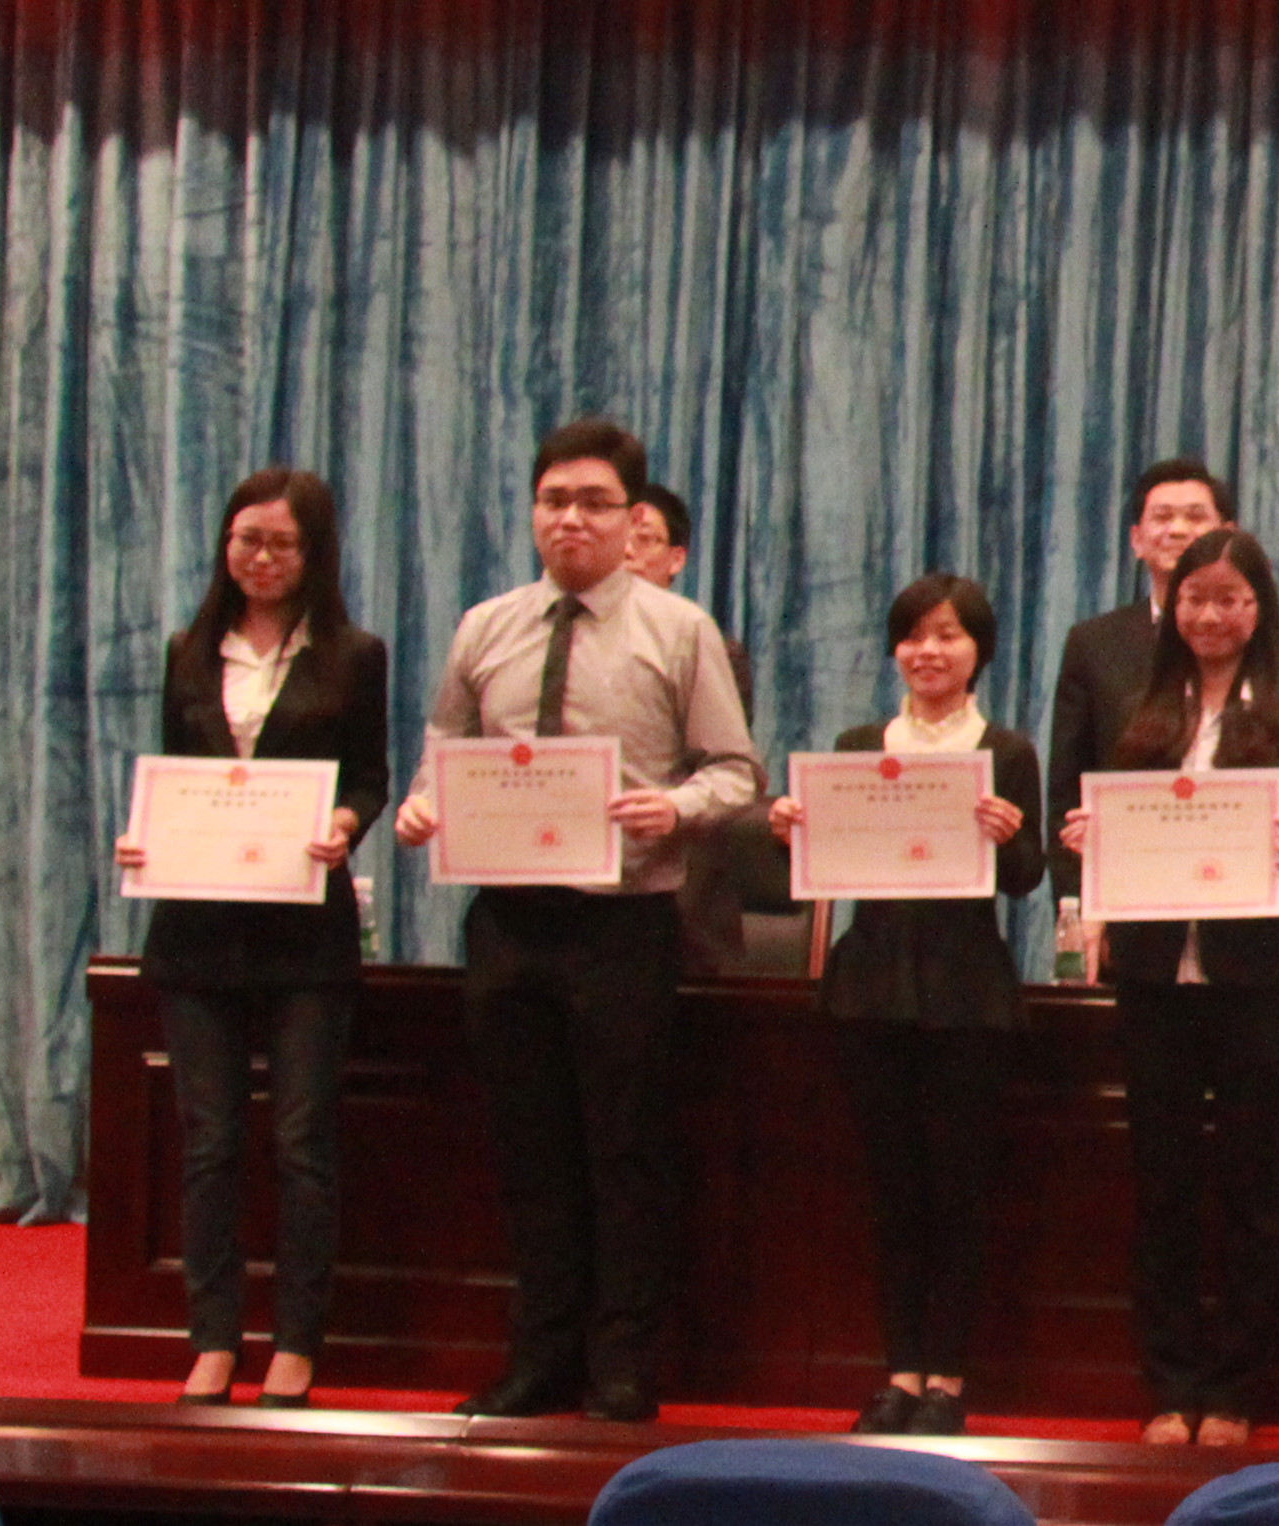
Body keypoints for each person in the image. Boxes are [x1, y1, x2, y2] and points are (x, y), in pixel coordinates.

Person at [388, 418, 761, 1424]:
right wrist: (420, 808)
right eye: (554, 500)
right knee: (529, 1151)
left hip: (623, 924)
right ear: (533, 512)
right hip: (508, 920)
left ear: (632, 519)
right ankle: (540, 1356)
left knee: (624, 1149)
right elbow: (441, 756)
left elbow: (736, 771)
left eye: (594, 503)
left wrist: (673, 807)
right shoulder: (485, 627)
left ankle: (623, 1361)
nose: (571, 520)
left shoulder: (678, 630)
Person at [113, 467, 388, 1411]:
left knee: (302, 1142)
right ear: (224, 546)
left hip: (305, 933)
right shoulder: (189, 650)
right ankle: (214, 1339)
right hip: (197, 932)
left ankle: (297, 1343)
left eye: (282, 543)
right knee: (209, 1144)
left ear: (314, 554)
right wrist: (145, 838)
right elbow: (174, 776)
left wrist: (346, 823)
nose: (262, 558)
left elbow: (369, 777)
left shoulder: (354, 655)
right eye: (246, 540)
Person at [1057, 527, 1279, 1447]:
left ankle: (1238, 1389)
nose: (1210, 615)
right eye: (1194, 598)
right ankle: (1169, 1385)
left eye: (1230, 599)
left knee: (1253, 1185)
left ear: (1259, 609)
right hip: (1152, 973)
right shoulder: (1146, 704)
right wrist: (1090, 843)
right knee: (1162, 1183)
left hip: (1252, 975)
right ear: (1172, 607)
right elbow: (1102, 818)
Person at [762, 574, 1044, 1437]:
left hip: (966, 992)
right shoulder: (857, 745)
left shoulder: (1006, 751)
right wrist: (791, 829)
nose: (930, 651)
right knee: (892, 1193)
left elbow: (1028, 877)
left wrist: (1007, 836)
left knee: (957, 1192)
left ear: (979, 650)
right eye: (914, 636)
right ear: (895, 649)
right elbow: (815, 869)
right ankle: (900, 1372)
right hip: (872, 989)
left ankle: (947, 1380)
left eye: (949, 635)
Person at [1048, 459, 1279, 841]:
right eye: (1162, 517)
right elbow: (1067, 791)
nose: (1178, 530)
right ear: (1136, 539)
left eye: (1195, 517)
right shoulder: (1092, 643)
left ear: (1228, 533)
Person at [632, 483, 780, 976]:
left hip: (680, 877)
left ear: (676, 559)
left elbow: (725, 771)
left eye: (644, 539)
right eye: (619, 537)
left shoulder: (705, 646)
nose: (627, 551)